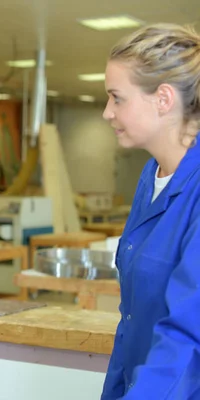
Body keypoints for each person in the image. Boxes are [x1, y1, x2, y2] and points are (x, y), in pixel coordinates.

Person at [101, 23, 200, 399]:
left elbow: (188, 337)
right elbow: (134, 318)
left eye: (117, 98)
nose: (107, 113)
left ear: (163, 99)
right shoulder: (152, 175)